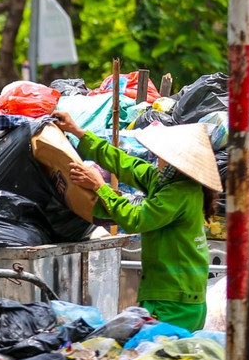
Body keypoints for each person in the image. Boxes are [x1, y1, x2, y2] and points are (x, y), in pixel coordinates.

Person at [51, 111, 221, 332]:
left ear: (173, 160)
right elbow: (125, 164)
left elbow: (136, 219)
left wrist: (100, 187)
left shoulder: (180, 192)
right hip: (175, 296)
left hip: (174, 301)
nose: (156, 156)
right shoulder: (165, 181)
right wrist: (79, 133)